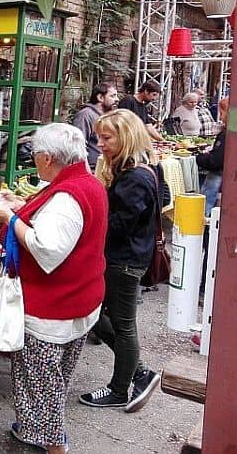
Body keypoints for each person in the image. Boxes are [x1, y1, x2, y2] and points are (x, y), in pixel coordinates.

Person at [0, 123, 108, 454]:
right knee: (55, 377)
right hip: (81, 299)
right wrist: (23, 203)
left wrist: (10, 218)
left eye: (36, 155)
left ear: (49, 157)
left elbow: (49, 249)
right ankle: (33, 429)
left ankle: (55, 444)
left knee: (43, 385)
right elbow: (56, 214)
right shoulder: (86, 182)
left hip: (54, 307)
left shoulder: (68, 196)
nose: (33, 160)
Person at [80, 108, 163, 413]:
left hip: (124, 261)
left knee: (122, 325)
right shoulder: (142, 169)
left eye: (107, 137)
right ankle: (138, 371)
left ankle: (120, 389)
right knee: (97, 318)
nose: (100, 143)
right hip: (129, 257)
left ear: (125, 137)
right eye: (99, 137)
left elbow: (116, 225)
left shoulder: (133, 179)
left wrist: (87, 218)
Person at [72, 81, 118, 168]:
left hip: (104, 166)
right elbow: (77, 146)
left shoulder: (107, 115)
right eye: (112, 96)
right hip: (92, 168)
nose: (117, 99)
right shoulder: (85, 115)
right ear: (100, 97)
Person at [197, 97, 229, 217]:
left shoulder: (227, 135)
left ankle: (205, 229)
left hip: (218, 176)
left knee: (206, 209)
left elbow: (216, 161)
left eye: (221, 113)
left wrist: (200, 158)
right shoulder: (229, 132)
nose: (220, 117)